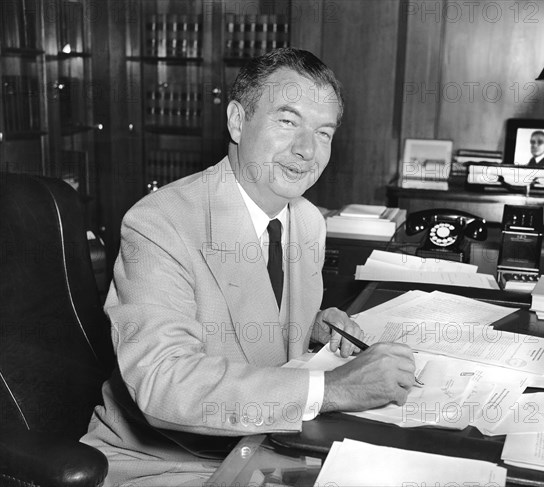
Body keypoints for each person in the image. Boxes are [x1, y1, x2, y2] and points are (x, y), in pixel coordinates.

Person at [81, 48, 417, 486]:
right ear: (238, 121)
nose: (306, 150)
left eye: (324, 132)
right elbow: (164, 381)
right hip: (166, 462)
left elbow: (246, 314)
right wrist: (335, 388)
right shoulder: (160, 222)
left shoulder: (308, 222)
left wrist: (314, 324)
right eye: (287, 121)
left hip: (267, 443)